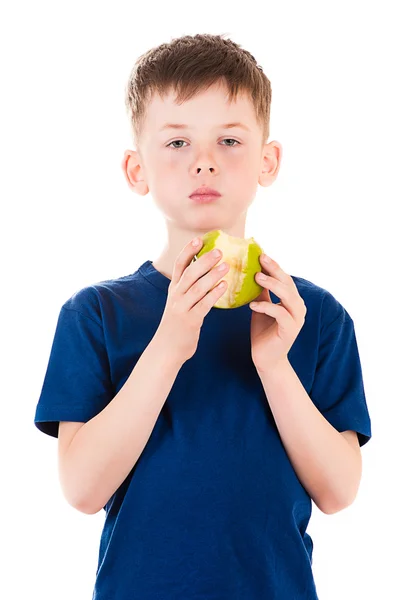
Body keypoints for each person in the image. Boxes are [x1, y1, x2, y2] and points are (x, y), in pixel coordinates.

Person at [33, 33, 372, 600]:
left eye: (230, 139)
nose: (205, 161)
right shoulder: (95, 315)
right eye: (177, 142)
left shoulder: (315, 317)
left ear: (268, 161)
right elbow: (82, 489)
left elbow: (338, 492)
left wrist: (273, 363)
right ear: (136, 170)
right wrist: (169, 343)